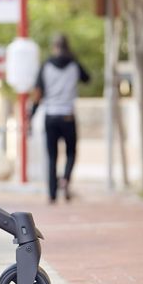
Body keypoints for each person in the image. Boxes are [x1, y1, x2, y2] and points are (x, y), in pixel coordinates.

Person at [31, 34, 90, 203]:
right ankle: (65, 179)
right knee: (71, 152)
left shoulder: (46, 65)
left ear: (54, 47)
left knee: (52, 156)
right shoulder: (74, 65)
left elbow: (38, 93)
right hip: (67, 115)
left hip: (50, 115)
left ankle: (52, 193)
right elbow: (87, 78)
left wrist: (32, 114)